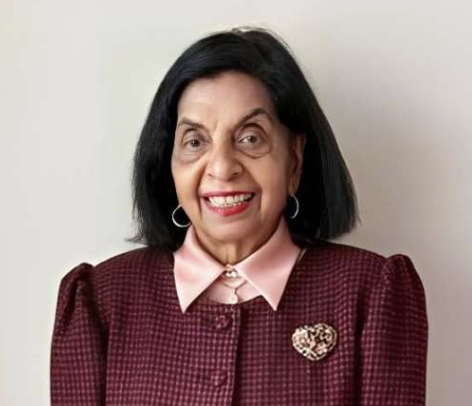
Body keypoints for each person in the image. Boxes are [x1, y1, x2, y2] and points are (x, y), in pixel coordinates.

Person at [50, 26, 428, 405]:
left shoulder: (372, 294)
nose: (222, 167)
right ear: (169, 163)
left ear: (295, 160)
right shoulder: (100, 300)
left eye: (250, 137)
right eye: (195, 141)